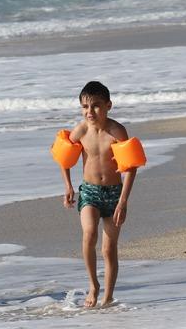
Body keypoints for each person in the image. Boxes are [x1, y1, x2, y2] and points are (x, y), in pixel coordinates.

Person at [60, 81, 138, 308]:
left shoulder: (117, 131)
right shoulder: (81, 130)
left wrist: (123, 201)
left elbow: (131, 168)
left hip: (115, 194)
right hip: (90, 192)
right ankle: (93, 284)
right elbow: (64, 156)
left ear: (108, 105)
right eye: (85, 107)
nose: (89, 111)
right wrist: (68, 186)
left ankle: (108, 296)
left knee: (108, 248)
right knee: (89, 234)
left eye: (95, 106)